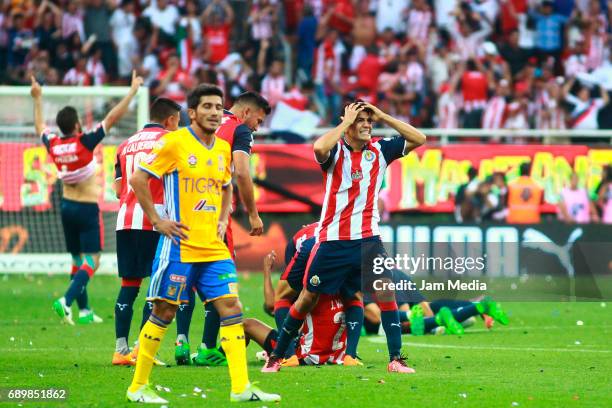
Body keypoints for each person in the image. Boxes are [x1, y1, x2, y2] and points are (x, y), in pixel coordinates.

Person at [125, 84, 279, 403]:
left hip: (213, 247)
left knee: (232, 308)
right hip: (179, 246)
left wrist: (224, 218)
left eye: (217, 106)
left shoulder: (222, 148)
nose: (212, 112)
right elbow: (138, 179)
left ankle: (241, 388)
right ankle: (137, 387)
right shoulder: (175, 143)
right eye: (206, 106)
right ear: (192, 113)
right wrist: (157, 220)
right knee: (165, 310)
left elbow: (226, 186)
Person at [261, 101, 426, 374]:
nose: (367, 124)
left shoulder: (380, 150)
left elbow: (419, 138)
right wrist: (345, 123)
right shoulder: (336, 151)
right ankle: (276, 357)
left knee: (386, 294)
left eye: (368, 120)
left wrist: (383, 115)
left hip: (369, 241)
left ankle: (396, 359)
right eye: (360, 120)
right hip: (333, 242)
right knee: (306, 299)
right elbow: (318, 148)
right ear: (348, 122)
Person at [30, 71, 142, 326]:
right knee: (94, 259)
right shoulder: (85, 142)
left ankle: (86, 311)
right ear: (77, 125)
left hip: (66, 206)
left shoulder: (55, 144)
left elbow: (39, 128)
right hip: (87, 208)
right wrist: (132, 91)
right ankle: (67, 301)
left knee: (77, 260)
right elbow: (112, 118)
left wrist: (37, 98)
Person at [174, 91, 271, 367]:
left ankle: (181, 341)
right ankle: (206, 348)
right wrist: (253, 214)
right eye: (259, 121)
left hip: (186, 214)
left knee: (186, 279)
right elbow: (241, 172)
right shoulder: (239, 130)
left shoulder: (202, 128)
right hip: (215, 218)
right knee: (221, 285)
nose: (257, 127)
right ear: (246, 113)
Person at [111, 97, 181, 366]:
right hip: (156, 220)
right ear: (171, 120)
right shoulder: (170, 141)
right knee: (156, 286)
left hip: (125, 220)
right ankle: (142, 349)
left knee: (129, 285)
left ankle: (120, 350)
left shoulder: (125, 144)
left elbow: (119, 190)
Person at [245, 251, 347, 366]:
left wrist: (267, 269)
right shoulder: (342, 282)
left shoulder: (306, 288)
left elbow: (272, 304)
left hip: (300, 350)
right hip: (335, 351)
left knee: (246, 324)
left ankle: (225, 356)